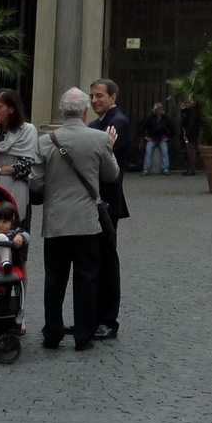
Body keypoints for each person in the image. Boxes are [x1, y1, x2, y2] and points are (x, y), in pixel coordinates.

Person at [30, 88, 119, 350]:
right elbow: (111, 174)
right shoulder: (99, 138)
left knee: (54, 278)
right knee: (87, 279)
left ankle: (53, 332)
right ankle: (83, 334)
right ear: (84, 112)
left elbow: (35, 182)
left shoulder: (46, 141)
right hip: (86, 221)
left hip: (56, 221)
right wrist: (109, 150)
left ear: (61, 110)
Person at [88, 77, 132, 339]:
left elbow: (106, 164)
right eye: (91, 96)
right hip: (92, 200)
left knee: (106, 261)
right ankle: (90, 317)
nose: (94, 100)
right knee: (92, 260)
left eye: (99, 96)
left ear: (113, 98)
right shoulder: (96, 124)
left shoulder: (119, 123)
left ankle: (107, 320)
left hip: (108, 201)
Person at [0, 87, 39, 220]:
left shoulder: (27, 131)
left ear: (11, 109)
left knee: (16, 236)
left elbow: (23, 167)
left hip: (17, 192)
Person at [141, 102, 174, 176]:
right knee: (148, 153)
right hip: (152, 138)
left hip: (161, 138)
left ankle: (165, 169)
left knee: (165, 153)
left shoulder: (166, 118)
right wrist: (146, 136)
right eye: (159, 108)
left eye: (162, 107)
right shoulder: (150, 118)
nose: (161, 109)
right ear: (155, 109)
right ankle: (146, 170)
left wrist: (167, 137)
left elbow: (172, 129)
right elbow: (142, 127)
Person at [179, 99, 201, 175]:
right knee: (190, 151)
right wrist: (183, 109)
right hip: (192, 134)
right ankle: (190, 169)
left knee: (190, 152)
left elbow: (190, 124)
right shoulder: (192, 111)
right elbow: (187, 114)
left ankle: (191, 170)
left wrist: (186, 135)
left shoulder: (192, 112)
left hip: (191, 135)